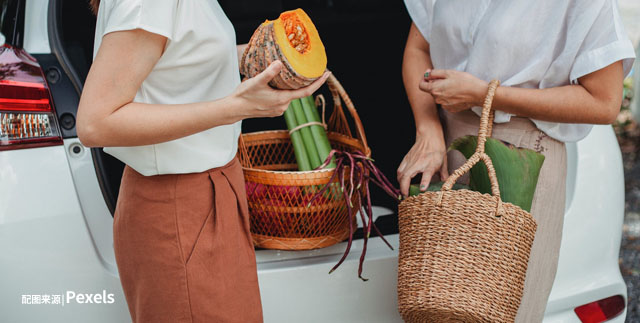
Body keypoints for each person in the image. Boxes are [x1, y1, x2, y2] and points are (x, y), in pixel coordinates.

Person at [77, 0, 329, 322]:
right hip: (178, 206)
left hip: (216, 191)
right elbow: (95, 123)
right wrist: (235, 107)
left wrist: (268, 60)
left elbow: (182, 60)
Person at [398, 0, 635, 321]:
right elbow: (418, 47)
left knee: (505, 312)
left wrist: (486, 95)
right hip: (448, 143)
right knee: (436, 305)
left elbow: (604, 102)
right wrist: (427, 128)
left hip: (522, 158)